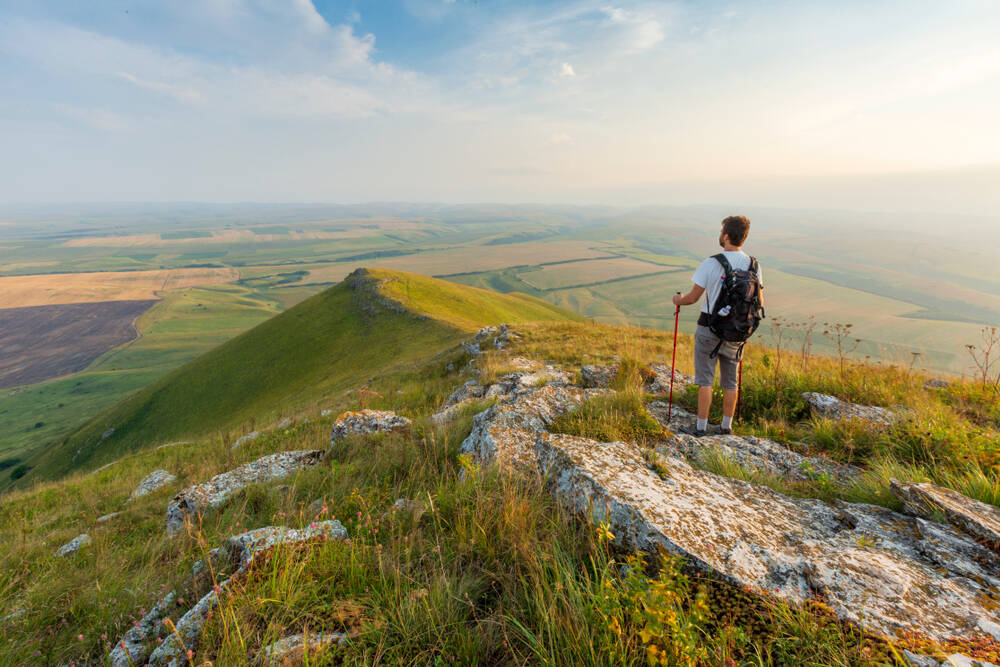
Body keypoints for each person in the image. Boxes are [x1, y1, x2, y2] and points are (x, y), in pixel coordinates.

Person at [672, 215, 763, 436]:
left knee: (705, 380)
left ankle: (701, 428)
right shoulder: (754, 265)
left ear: (725, 235)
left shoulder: (711, 263)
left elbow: (693, 298)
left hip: (709, 328)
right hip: (738, 331)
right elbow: (758, 301)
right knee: (731, 381)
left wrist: (678, 300)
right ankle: (726, 426)